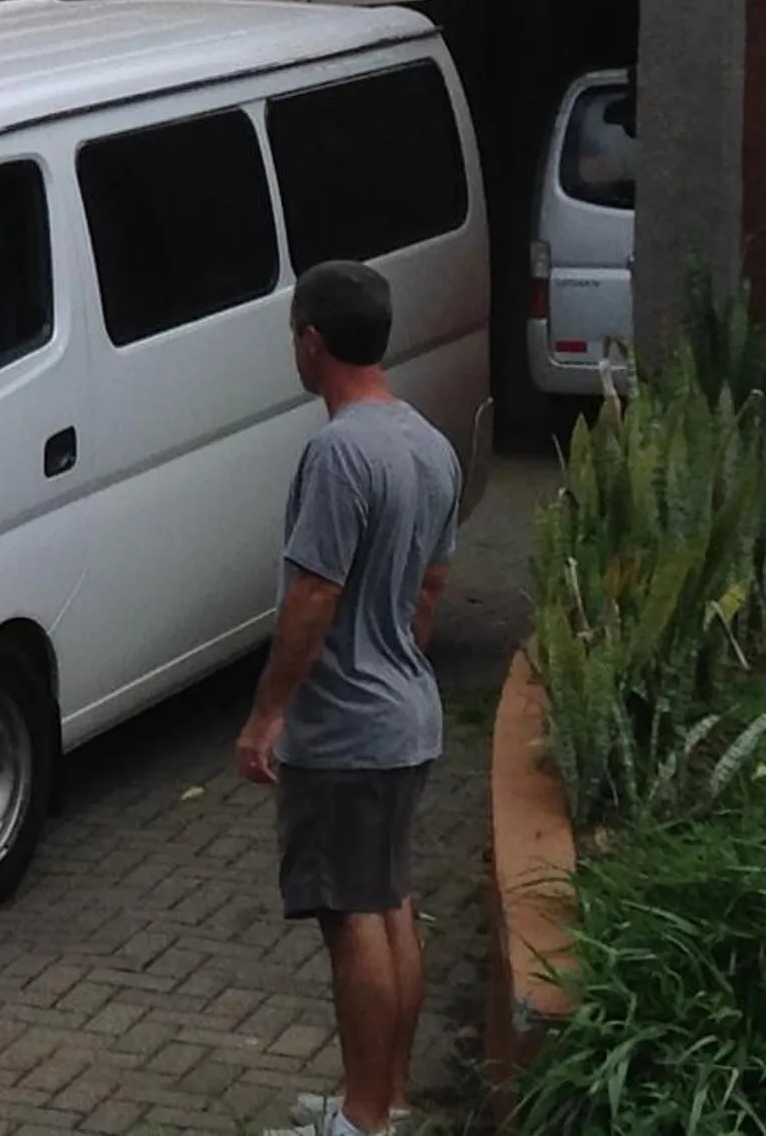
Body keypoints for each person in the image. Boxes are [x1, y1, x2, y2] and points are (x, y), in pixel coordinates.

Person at [236, 261, 459, 1136]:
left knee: (352, 916)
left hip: (348, 732)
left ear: (313, 341)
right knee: (391, 900)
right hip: (409, 715)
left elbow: (313, 595)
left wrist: (268, 711)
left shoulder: (336, 453)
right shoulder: (428, 443)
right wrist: (396, 661)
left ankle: (362, 1122)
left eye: (294, 333)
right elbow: (432, 589)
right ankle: (388, 1100)